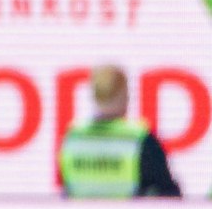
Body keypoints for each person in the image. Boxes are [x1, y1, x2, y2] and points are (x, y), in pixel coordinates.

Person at [58, 65, 182, 198]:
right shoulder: (140, 140)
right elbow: (169, 198)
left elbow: (66, 190)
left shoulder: (73, 139)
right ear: (125, 96)